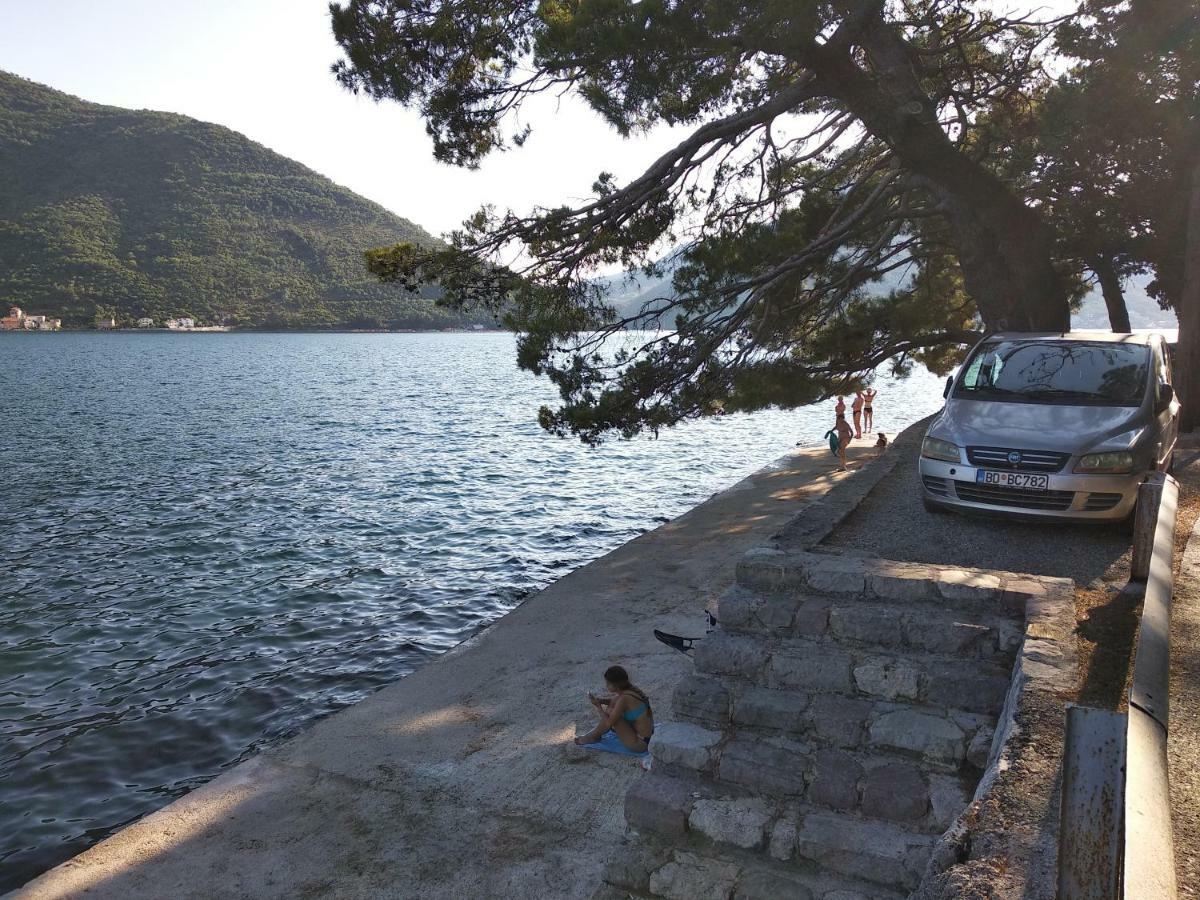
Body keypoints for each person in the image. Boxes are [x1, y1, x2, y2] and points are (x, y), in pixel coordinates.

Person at [575, 665, 654, 752]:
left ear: (615, 685)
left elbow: (608, 723)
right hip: (648, 738)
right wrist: (601, 701)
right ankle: (594, 735)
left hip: (641, 744)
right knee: (613, 704)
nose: (606, 686)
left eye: (608, 683)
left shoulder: (624, 698)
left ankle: (594, 736)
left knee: (610, 712)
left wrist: (598, 706)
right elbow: (616, 703)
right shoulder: (631, 691)